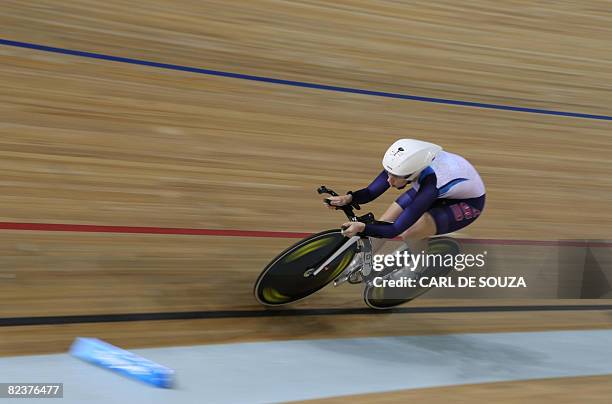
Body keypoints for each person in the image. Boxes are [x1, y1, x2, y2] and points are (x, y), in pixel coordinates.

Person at [326, 138, 486, 245]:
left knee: (410, 234)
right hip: (439, 186)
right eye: (388, 173)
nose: (389, 181)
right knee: (384, 220)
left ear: (412, 174)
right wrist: (349, 198)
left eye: (395, 177)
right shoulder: (403, 165)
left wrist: (362, 228)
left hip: (468, 202)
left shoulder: (430, 186)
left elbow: (395, 230)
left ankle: (420, 271)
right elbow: (370, 193)